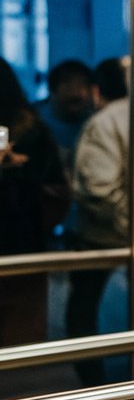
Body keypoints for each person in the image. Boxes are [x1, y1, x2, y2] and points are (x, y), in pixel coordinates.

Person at [0, 57, 70, 346]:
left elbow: (53, 188)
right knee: (19, 341)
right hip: (24, 243)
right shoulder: (33, 128)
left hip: (20, 239)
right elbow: (57, 191)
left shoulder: (30, 131)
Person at [68, 57, 129, 385]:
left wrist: (130, 225)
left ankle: (93, 388)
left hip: (103, 239)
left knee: (83, 312)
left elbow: (97, 189)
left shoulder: (105, 121)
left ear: (96, 90)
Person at [34, 60, 93, 176]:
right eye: (67, 83)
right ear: (52, 89)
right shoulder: (34, 119)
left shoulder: (95, 122)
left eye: (82, 84)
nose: (76, 91)